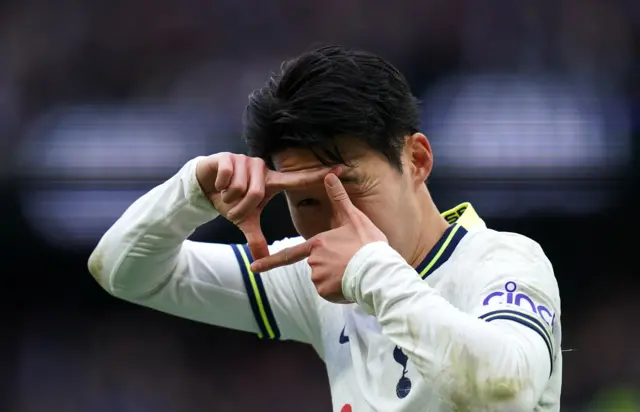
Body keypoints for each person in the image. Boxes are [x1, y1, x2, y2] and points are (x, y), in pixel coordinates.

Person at [88, 45, 562, 411]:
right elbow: (125, 270)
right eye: (306, 200)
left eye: (349, 187)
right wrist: (193, 190)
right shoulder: (313, 276)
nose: (334, 220)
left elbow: (505, 391)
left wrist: (369, 270)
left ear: (416, 160)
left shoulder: (502, 261)